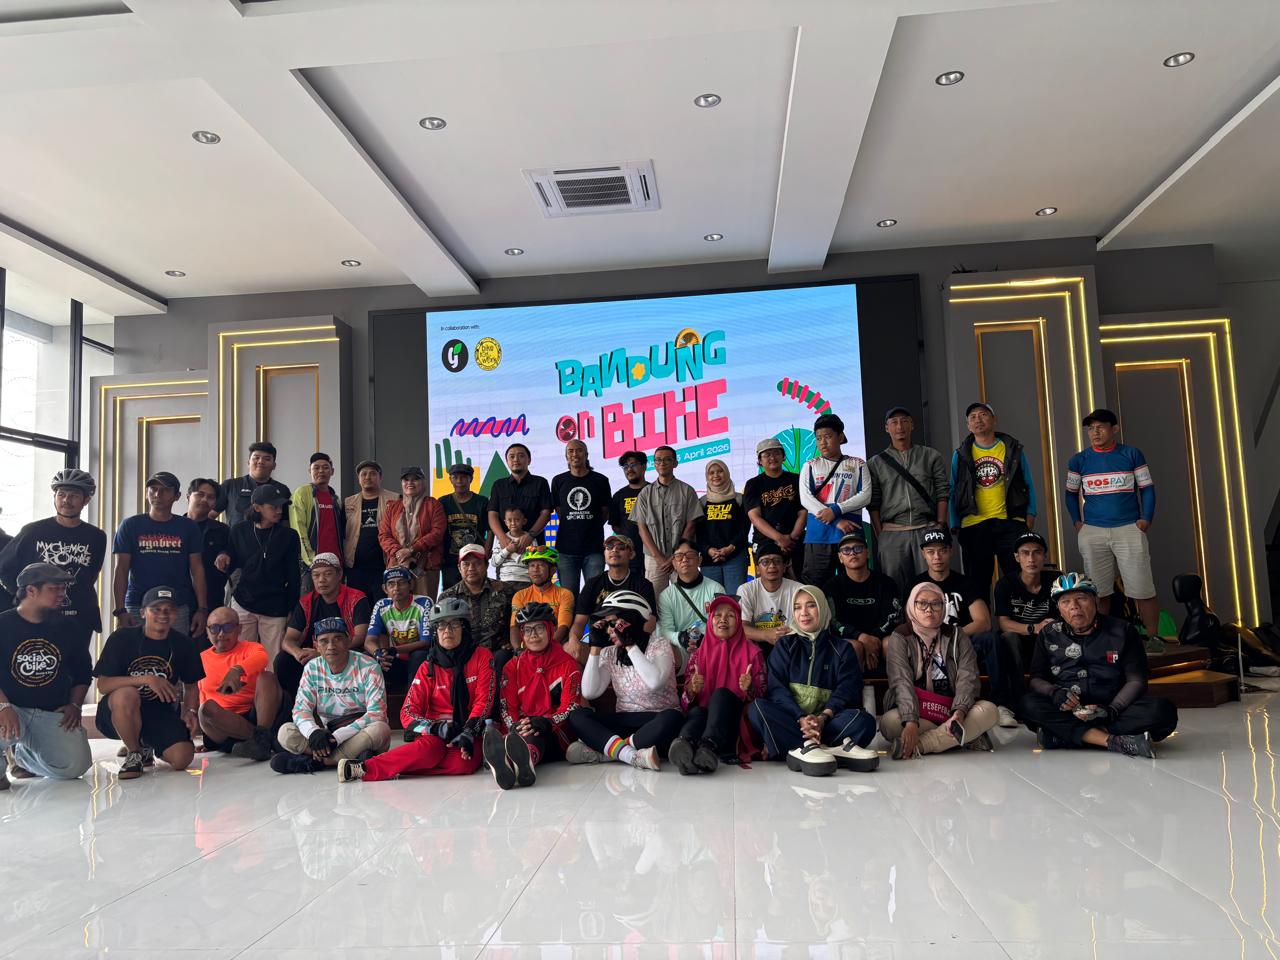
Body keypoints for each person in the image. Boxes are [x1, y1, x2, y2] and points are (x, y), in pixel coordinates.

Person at [1019, 573, 1178, 757]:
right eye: (1065, 602)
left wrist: (1111, 710)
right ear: (1059, 608)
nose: (1074, 606)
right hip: (1068, 709)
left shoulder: (1122, 630)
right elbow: (1036, 679)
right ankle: (1112, 741)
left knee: (1163, 711)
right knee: (1027, 704)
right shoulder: (1049, 633)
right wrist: (1055, 693)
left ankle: (1064, 737)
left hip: (1112, 707)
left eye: (1081, 598)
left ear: (1096, 601)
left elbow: (1137, 680)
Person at [337, 598, 490, 782]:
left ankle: (397, 764)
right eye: (441, 626)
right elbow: (407, 712)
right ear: (435, 632)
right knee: (430, 750)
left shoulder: (482, 656)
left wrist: (469, 731)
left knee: (463, 764)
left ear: (465, 629)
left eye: (454, 625)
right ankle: (364, 768)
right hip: (435, 733)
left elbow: (484, 700)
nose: (447, 631)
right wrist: (435, 728)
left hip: (469, 729)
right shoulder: (427, 667)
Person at [746, 587, 879, 776]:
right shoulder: (785, 645)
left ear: (822, 608)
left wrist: (822, 718)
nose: (804, 613)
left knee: (865, 721)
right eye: (797, 607)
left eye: (811, 606)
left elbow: (847, 690)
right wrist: (801, 718)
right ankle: (832, 749)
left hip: (828, 723)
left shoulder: (842, 649)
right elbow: (776, 690)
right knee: (757, 708)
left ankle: (797, 749)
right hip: (793, 722)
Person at [1065, 408, 1161, 643]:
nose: (1095, 432)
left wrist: (1145, 519)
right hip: (1093, 531)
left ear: (1114, 429)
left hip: (1129, 528)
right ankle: (1100, 641)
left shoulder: (1132, 454)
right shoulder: (1079, 460)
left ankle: (1153, 639)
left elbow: (1147, 489)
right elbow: (1070, 494)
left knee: (1142, 589)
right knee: (1097, 591)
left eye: (1100, 427)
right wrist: (1078, 523)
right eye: (1091, 428)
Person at [911, 528, 1019, 728]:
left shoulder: (965, 582)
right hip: (927, 644)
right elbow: (910, 623)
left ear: (951, 551)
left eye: (942, 550)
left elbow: (983, 621)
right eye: (931, 552)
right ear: (923, 554)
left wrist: (952, 635)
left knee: (991, 639)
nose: (937, 557)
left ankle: (1001, 705)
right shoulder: (916, 584)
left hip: (961, 642)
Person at [94, 586, 204, 780]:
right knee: (127, 693)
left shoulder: (184, 644)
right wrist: (147, 679)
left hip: (158, 711)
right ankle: (134, 752)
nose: (163, 614)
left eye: (169, 610)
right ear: (143, 612)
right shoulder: (122, 638)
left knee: (182, 758)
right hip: (118, 710)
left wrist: (190, 711)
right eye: (156, 609)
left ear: (176, 614)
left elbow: (191, 685)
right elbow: (103, 685)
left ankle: (146, 744)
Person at [880, 581, 999, 758]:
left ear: (944, 607)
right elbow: (901, 682)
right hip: (919, 712)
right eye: (922, 603)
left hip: (951, 709)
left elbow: (968, 677)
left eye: (936, 604)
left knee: (990, 711)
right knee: (889, 723)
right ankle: (962, 737)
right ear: (911, 606)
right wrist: (911, 722)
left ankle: (921, 745)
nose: (929, 610)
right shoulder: (900, 636)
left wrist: (959, 713)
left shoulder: (957, 635)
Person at [567, 590, 683, 770]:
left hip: (657, 721)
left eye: (614, 623)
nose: (609, 630)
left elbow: (655, 682)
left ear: (633, 621)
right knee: (577, 716)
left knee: (672, 717)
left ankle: (606, 754)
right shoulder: (609, 652)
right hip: (625, 720)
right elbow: (590, 692)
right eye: (607, 624)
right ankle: (632, 755)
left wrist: (630, 645)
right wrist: (595, 648)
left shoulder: (659, 645)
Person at [0, 563, 92, 786]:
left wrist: (75, 705)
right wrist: (3, 706)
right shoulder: (3, 624)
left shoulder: (69, 626)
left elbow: (82, 672)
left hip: (50, 712)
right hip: (10, 707)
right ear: (31, 590)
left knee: (75, 766)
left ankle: (23, 758)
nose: (62, 595)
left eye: (63, 589)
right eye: (54, 589)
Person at [0, 468, 106, 652]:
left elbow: (91, 574)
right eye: (61, 494)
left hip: (79, 616)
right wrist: (23, 596)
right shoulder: (32, 531)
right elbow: (4, 568)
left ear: (86, 500)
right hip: (38, 615)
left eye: (73, 495)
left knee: (77, 664)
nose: (66, 500)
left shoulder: (96, 536)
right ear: (54, 497)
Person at [484, 602, 584, 789]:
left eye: (539, 628)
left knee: (536, 733)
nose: (533, 635)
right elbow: (507, 707)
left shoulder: (568, 664)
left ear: (550, 630)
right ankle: (516, 764)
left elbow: (570, 707)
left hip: (556, 730)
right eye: (527, 630)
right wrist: (515, 726)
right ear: (522, 634)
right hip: (521, 728)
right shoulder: (512, 667)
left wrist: (546, 722)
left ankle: (519, 760)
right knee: (521, 735)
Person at [272, 617, 389, 773]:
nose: (331, 646)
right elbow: (301, 710)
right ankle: (347, 758)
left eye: (338, 639)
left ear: (349, 640)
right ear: (316, 645)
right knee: (285, 732)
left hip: (359, 730)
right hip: (328, 734)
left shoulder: (369, 666)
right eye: (324, 641)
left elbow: (376, 713)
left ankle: (316, 762)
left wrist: (337, 738)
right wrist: (313, 733)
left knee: (380, 729)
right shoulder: (312, 668)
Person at [669, 595, 765, 775]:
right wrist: (691, 690)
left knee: (721, 695)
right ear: (711, 620)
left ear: (739, 621)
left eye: (730, 615)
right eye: (718, 615)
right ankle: (685, 746)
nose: (723, 620)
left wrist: (750, 688)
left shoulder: (753, 654)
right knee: (698, 711)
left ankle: (709, 746)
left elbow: (762, 699)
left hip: (734, 725)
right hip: (705, 721)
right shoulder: (698, 655)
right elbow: (685, 702)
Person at [950, 401, 1038, 597]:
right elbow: (953, 489)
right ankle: (982, 618)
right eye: (973, 417)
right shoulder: (961, 454)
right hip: (974, 524)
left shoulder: (1012, 449)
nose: (978, 420)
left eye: (983, 415)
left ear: (994, 420)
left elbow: (1028, 483)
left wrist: (1030, 513)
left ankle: (1017, 618)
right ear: (968, 425)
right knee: (977, 584)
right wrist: (955, 522)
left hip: (1010, 522)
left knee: (1017, 580)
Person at [111, 471, 208, 639]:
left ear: (177, 496)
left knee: (175, 652)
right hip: (137, 604)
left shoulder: (188, 527)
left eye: (165, 490)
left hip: (177, 606)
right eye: (153, 489)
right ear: (146, 493)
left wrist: (202, 609)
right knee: (134, 652)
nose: (157, 494)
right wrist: (120, 610)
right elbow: (121, 569)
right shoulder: (130, 525)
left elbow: (197, 570)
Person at [216, 481, 300, 669]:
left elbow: (294, 576)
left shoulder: (289, 536)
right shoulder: (239, 530)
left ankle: (270, 690)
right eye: (273, 506)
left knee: (272, 662)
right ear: (257, 507)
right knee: (241, 659)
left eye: (281, 506)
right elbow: (231, 558)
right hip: (244, 601)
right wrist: (224, 555)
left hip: (275, 606)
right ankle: (243, 690)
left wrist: (292, 609)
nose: (279, 511)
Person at [867, 407, 950, 594]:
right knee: (894, 587)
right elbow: (873, 503)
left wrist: (940, 525)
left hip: (926, 528)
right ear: (887, 428)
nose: (900, 426)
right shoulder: (875, 463)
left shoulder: (930, 456)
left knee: (931, 586)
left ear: (912, 425)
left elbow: (943, 492)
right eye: (894, 422)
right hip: (892, 532)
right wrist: (881, 534)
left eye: (904, 421)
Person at [276, 553, 372, 703]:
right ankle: (296, 705)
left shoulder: (357, 598)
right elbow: (288, 640)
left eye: (328, 574)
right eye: (316, 575)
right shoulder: (306, 602)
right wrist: (298, 653)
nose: (321, 580)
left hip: (345, 653)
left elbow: (360, 637)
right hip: (312, 654)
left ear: (339, 574)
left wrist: (322, 653)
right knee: (283, 660)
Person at [196, 606, 281, 761]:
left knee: (267, 677)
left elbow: (262, 658)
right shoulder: (200, 658)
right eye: (214, 628)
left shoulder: (251, 648)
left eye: (228, 627)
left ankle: (261, 740)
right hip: (222, 726)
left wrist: (236, 670)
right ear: (207, 631)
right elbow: (201, 695)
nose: (221, 634)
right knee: (205, 709)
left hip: (254, 716)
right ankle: (262, 740)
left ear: (239, 629)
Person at [798, 413, 871, 587]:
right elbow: (806, 499)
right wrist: (836, 520)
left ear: (840, 437)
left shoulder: (858, 464)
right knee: (815, 588)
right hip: (818, 537)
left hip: (850, 535)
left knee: (854, 586)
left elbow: (866, 495)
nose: (823, 442)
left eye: (828, 437)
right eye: (818, 438)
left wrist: (835, 510)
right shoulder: (810, 465)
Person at [567, 533, 656, 662]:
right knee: (568, 648)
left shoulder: (643, 584)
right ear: (604, 554)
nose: (614, 550)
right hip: (598, 649)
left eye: (621, 547)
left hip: (631, 646)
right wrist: (573, 639)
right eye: (609, 547)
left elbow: (651, 620)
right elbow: (579, 622)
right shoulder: (593, 584)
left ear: (631, 554)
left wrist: (635, 645)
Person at [824, 530, 901, 674]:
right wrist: (861, 637)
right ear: (840, 557)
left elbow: (892, 616)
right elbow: (833, 621)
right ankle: (855, 688)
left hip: (879, 638)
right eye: (846, 550)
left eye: (858, 548)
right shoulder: (832, 586)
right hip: (850, 639)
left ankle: (898, 687)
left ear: (867, 553)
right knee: (854, 646)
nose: (852, 553)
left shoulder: (886, 583)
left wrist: (873, 638)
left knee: (891, 643)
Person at [631, 445, 701, 602]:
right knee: (654, 601)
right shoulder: (645, 493)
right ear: (654, 464)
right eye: (658, 460)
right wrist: (659, 558)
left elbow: (690, 526)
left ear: (675, 463)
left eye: (667, 459)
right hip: (654, 558)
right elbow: (642, 529)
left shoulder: (687, 490)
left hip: (683, 556)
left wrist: (675, 556)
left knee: (687, 600)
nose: (662, 463)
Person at [993, 531, 1059, 681]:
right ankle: (1018, 687)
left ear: (1045, 556)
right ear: (1017, 557)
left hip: (1048, 636)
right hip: (1020, 637)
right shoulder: (1005, 584)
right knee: (1008, 637)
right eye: (1025, 553)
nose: (1031, 559)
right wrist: (1034, 627)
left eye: (1037, 552)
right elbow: (1004, 623)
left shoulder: (1056, 580)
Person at [551, 439, 612, 600]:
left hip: (594, 549)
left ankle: (594, 620)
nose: (575, 454)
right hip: (566, 550)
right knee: (568, 598)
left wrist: (588, 525)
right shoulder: (558, 481)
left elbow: (605, 512)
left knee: (595, 597)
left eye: (579, 450)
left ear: (586, 454)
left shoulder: (600, 480)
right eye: (570, 451)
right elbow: (560, 511)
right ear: (566, 456)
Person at [656, 539, 724, 674]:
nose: (684, 559)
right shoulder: (666, 596)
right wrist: (681, 638)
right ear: (674, 563)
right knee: (663, 648)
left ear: (699, 560)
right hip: (682, 648)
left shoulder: (716, 589)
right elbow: (665, 631)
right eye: (679, 556)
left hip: (711, 645)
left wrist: (705, 639)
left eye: (690, 555)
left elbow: (724, 624)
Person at [379, 465, 446, 600]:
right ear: (401, 483)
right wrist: (399, 553)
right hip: (397, 566)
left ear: (423, 482)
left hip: (425, 567)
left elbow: (437, 533)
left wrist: (411, 550)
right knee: (397, 606)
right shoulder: (392, 507)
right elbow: (384, 535)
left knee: (424, 605)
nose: (410, 483)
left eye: (415, 479)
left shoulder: (433, 505)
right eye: (406, 480)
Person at [438, 543, 517, 653]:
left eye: (477, 563)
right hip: (462, 653)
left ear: (486, 565)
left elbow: (515, 624)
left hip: (497, 652)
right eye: (466, 564)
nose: (471, 568)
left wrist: (510, 642)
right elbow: (441, 631)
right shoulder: (447, 597)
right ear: (459, 568)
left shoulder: (505, 590)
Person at [366, 566, 433, 689]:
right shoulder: (381, 606)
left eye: (401, 583)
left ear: (411, 585)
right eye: (391, 584)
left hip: (420, 661)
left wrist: (394, 649)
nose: (396, 588)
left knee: (419, 655)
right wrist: (378, 653)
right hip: (396, 660)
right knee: (368, 657)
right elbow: (369, 641)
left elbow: (426, 642)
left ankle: (413, 697)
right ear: (385, 589)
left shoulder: (424, 603)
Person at [344, 459, 398, 605]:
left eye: (373, 473)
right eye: (364, 474)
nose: (368, 477)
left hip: (384, 566)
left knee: (385, 608)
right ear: (359, 478)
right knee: (358, 608)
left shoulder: (394, 499)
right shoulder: (348, 502)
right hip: (356, 569)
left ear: (380, 477)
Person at [292, 452, 347, 593]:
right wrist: (312, 561)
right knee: (309, 602)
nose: (321, 471)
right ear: (309, 471)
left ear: (332, 471)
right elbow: (299, 529)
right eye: (316, 468)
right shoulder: (302, 493)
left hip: (335, 564)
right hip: (311, 565)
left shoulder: (335, 498)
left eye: (325, 467)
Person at [695, 459, 750, 596]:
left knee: (735, 600)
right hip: (710, 560)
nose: (716, 475)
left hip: (735, 557)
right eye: (711, 473)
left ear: (727, 473)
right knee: (712, 601)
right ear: (707, 476)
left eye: (720, 471)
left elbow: (744, 529)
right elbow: (698, 533)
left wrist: (730, 548)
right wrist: (709, 550)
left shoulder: (739, 499)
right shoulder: (702, 502)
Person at [488, 443, 553, 551]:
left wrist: (530, 536)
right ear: (507, 461)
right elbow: (492, 514)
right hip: (506, 547)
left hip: (534, 545)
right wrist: (502, 537)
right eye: (512, 456)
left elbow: (546, 513)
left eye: (521, 456)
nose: (516, 460)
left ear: (529, 460)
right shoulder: (498, 485)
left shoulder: (540, 483)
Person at [736, 541, 802, 648]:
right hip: (757, 645)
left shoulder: (798, 589)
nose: (772, 566)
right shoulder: (746, 590)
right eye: (765, 562)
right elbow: (742, 628)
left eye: (777, 561)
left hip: (790, 643)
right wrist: (766, 635)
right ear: (757, 569)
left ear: (784, 567)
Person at [509, 546, 574, 650]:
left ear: (552, 570)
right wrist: (518, 650)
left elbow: (563, 626)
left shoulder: (565, 594)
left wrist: (545, 649)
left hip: (553, 647)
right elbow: (514, 626)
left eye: (541, 565)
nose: (535, 569)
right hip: (527, 649)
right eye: (532, 565)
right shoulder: (519, 595)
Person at [438, 461, 489, 591]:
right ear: (450, 479)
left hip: (476, 559)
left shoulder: (482, 502)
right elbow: (438, 532)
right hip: (450, 560)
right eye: (455, 477)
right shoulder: (443, 502)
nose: (459, 481)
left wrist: (487, 552)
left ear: (471, 479)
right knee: (451, 595)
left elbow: (491, 530)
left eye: (464, 477)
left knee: (478, 591)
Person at [186, 477, 231, 619]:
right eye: (200, 494)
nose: (205, 499)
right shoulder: (175, 528)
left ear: (215, 503)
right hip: (179, 600)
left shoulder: (223, 530)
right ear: (188, 497)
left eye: (210, 497)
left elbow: (232, 553)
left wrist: (225, 554)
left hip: (212, 599)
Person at [609, 451, 650, 578]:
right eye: (625, 467)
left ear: (644, 466)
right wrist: (628, 540)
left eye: (633, 465)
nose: (629, 469)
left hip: (655, 554)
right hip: (630, 556)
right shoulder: (619, 496)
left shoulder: (655, 491)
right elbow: (615, 525)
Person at [220, 440, 278, 528]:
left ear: (274, 465)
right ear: (248, 463)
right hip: (236, 536)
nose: (260, 461)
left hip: (272, 536)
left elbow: (285, 522)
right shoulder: (231, 485)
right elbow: (211, 514)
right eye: (256, 458)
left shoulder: (281, 489)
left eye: (267, 459)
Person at [491, 506, 534, 585]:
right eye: (509, 520)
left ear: (524, 521)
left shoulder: (530, 540)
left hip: (525, 581)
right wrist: (507, 550)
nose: (513, 523)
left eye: (517, 520)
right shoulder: (501, 540)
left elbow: (534, 562)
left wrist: (514, 556)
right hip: (505, 581)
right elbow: (494, 562)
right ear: (505, 522)